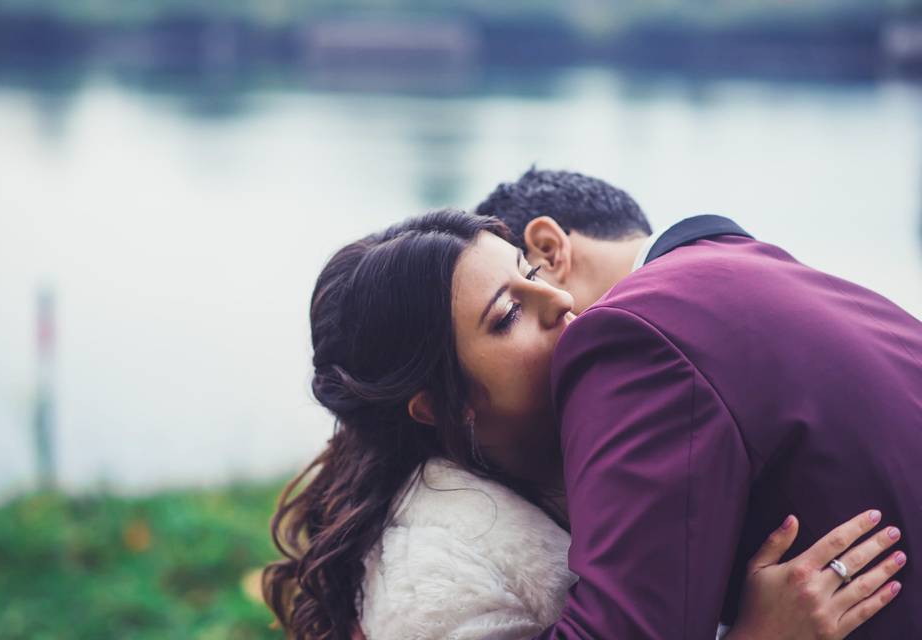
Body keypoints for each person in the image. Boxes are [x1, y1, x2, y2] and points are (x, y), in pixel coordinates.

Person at [262, 210, 906, 640]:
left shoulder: (587, 443)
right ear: (435, 405)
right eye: (508, 312)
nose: (564, 300)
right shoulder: (437, 566)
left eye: (532, 273)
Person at [475, 168, 922, 637]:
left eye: (511, 310)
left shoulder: (632, 331)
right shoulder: (763, 277)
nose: (556, 306)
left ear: (548, 249)